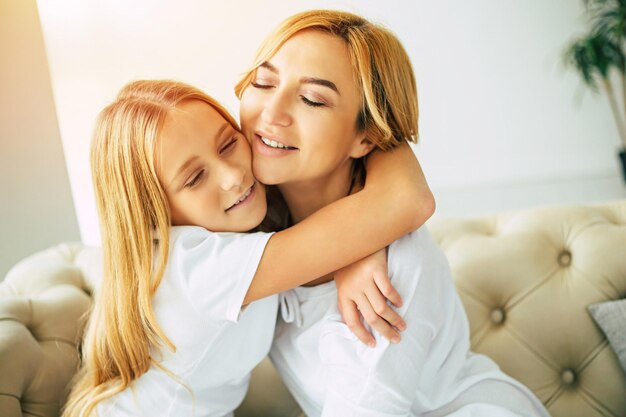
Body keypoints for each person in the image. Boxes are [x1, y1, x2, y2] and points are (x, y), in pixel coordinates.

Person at [236, 9, 552, 417]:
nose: (271, 112)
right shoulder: (244, 227)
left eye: (313, 99)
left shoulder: (393, 267)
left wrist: (364, 245)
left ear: (365, 139)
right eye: (263, 82)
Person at [62, 79, 433, 417]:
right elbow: (406, 200)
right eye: (194, 178)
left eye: (227, 144)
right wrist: (359, 246)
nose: (233, 175)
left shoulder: (247, 223)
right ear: (152, 213)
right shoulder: (193, 265)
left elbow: (368, 207)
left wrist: (359, 243)